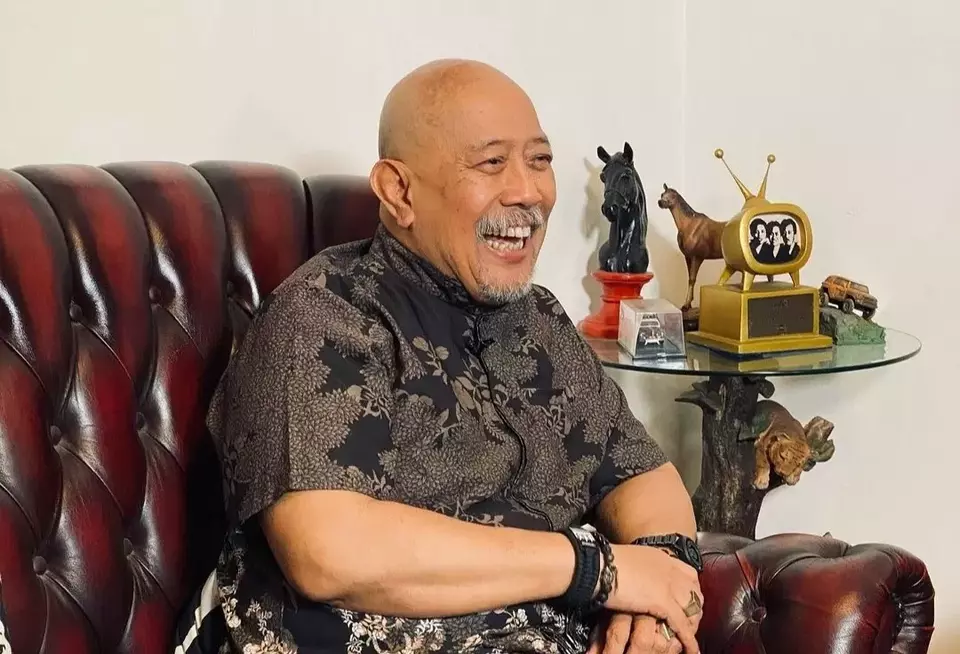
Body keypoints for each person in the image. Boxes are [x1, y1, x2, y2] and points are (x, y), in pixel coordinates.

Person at [205, 58, 703, 654]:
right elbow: (327, 551)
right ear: (399, 191)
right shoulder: (324, 313)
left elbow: (642, 474)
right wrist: (596, 570)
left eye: (539, 160)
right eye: (491, 163)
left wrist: (656, 598)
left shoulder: (540, 319)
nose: (528, 192)